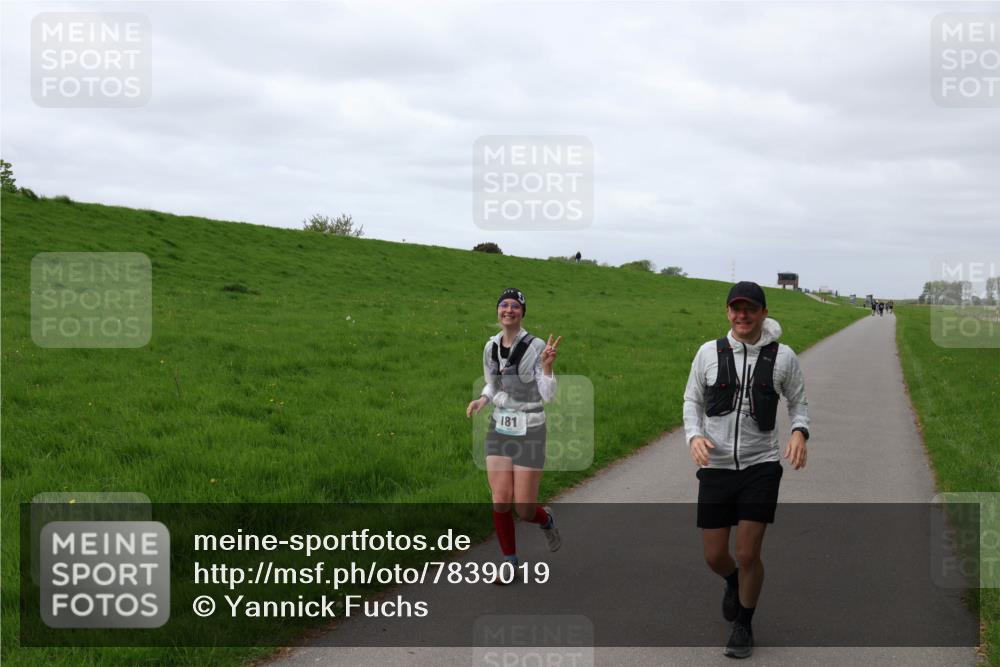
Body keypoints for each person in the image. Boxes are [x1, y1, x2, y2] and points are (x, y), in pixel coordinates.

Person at [683, 281, 810, 658]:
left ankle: (744, 624)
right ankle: (732, 581)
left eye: (750, 309)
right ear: (727, 313)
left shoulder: (783, 357)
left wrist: (800, 433)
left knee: (748, 552)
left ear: (763, 312)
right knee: (714, 556)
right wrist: (693, 436)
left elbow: (799, 404)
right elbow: (692, 400)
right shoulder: (708, 353)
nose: (742, 315)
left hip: (761, 465)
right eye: (736, 309)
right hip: (717, 466)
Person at [466, 288, 562, 581]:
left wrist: (547, 367)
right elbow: (492, 384)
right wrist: (482, 400)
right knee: (501, 499)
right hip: (500, 426)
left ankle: (545, 519)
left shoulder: (535, 346)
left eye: (515, 306)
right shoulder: (490, 346)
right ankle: (509, 561)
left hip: (531, 428)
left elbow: (549, 395)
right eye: (503, 305)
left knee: (524, 508)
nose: (508, 309)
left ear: (522, 312)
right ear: (497, 311)